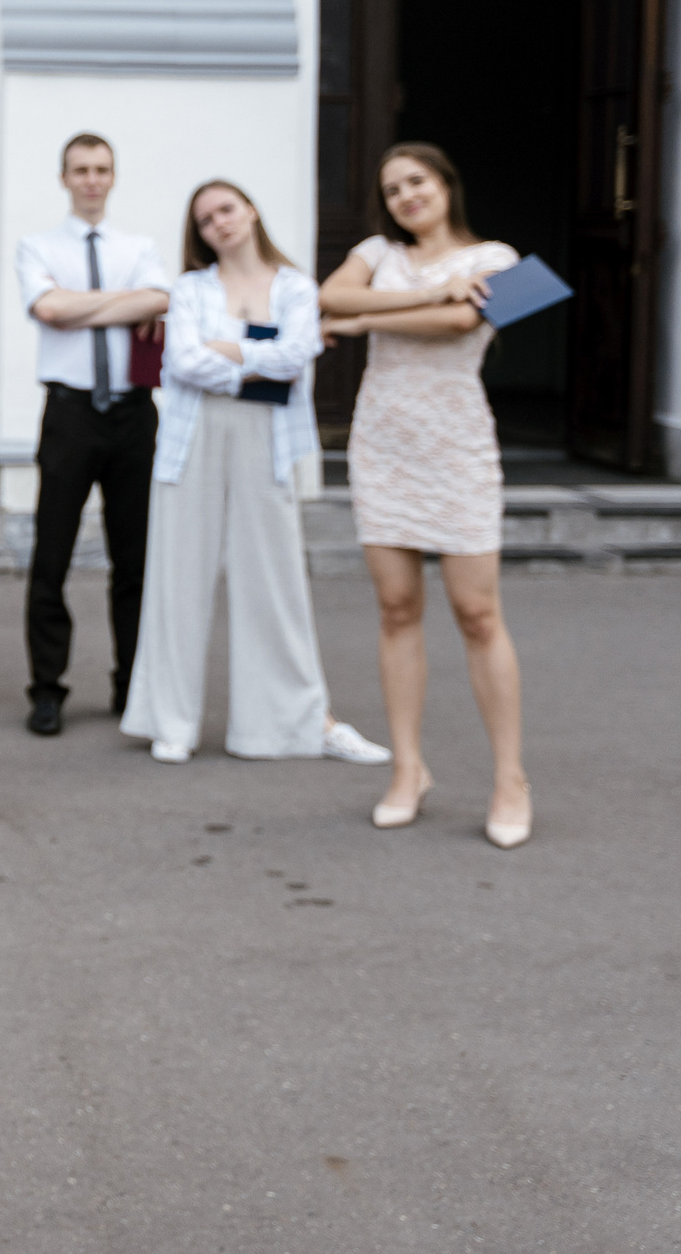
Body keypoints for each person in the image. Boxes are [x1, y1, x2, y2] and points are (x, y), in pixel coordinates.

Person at [119, 180, 391, 767]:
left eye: (226, 209)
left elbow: (295, 357)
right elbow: (181, 362)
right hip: (192, 436)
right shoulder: (190, 288)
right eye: (206, 218)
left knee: (274, 579)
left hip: (268, 436)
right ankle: (171, 720)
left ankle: (290, 725)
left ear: (250, 211)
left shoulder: (295, 286)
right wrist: (254, 357)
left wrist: (226, 349)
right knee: (177, 576)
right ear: (199, 233)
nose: (219, 222)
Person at [318, 143, 533, 848]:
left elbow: (462, 323)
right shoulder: (377, 251)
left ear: (445, 183)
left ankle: (510, 778)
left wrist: (369, 319)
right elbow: (330, 297)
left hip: (457, 446)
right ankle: (408, 769)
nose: (406, 195)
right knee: (396, 608)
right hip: (383, 445)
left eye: (417, 181)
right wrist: (431, 292)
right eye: (393, 189)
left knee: (478, 612)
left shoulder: (497, 258)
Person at [14, 134, 171, 737]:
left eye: (101, 169)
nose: (91, 180)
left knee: (134, 558)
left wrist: (79, 302)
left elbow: (161, 298)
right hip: (71, 412)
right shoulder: (38, 246)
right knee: (51, 554)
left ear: (113, 176)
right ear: (64, 177)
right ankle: (47, 690)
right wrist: (128, 303)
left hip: (133, 412)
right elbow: (49, 311)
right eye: (80, 169)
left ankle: (132, 685)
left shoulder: (139, 246)